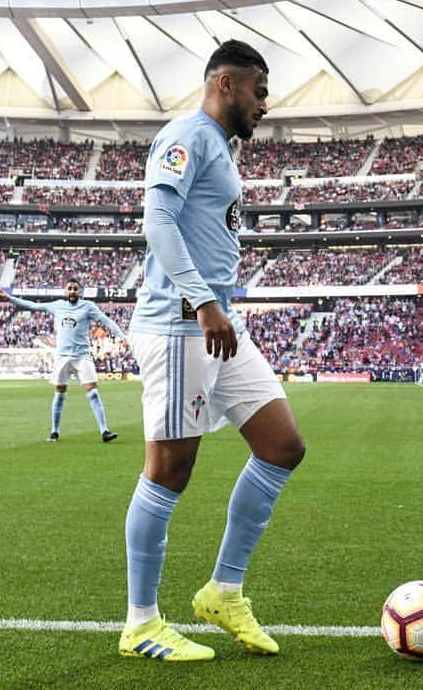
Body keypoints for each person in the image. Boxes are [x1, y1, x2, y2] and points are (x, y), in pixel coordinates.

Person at [119, 40, 305, 663]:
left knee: (282, 447)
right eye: (259, 91)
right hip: (180, 323)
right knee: (169, 470)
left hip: (219, 322)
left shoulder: (222, 149)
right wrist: (202, 302)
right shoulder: (186, 136)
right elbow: (158, 223)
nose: (264, 104)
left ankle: (224, 590)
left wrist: (214, 306)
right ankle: (141, 622)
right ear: (226, 84)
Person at [0, 279, 123, 442]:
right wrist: (11, 298)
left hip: (82, 356)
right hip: (62, 357)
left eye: (75, 289)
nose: (72, 291)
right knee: (59, 395)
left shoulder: (88, 307)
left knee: (93, 393)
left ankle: (104, 431)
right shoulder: (57, 305)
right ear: (65, 291)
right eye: (69, 288)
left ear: (80, 292)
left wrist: (122, 336)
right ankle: (54, 431)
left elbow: (105, 320)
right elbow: (33, 306)